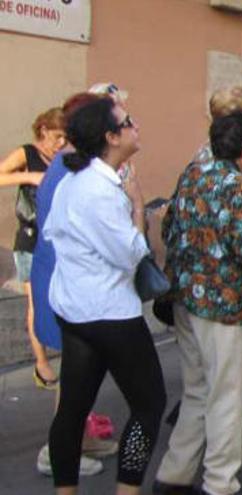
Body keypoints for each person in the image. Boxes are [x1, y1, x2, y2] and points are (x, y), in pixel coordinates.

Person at [154, 111, 242, 495]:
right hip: (222, 303)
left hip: (184, 298)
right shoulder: (235, 184)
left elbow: (167, 226)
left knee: (196, 388)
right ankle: (220, 483)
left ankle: (173, 476)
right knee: (227, 393)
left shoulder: (193, 174)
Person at [45, 97, 167, 495]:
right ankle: (127, 489)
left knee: (73, 408)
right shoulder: (100, 191)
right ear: (111, 137)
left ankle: (66, 490)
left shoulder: (72, 181)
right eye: (127, 122)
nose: (136, 127)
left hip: (75, 308)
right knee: (149, 405)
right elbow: (130, 255)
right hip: (110, 312)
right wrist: (137, 207)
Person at [31, 90, 127, 480]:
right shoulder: (77, 171)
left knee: (80, 373)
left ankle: (77, 440)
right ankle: (55, 453)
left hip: (64, 279)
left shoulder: (69, 164)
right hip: (71, 284)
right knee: (74, 376)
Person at [0, 107, 66, 390]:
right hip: (30, 237)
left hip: (58, 239)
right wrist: (28, 177)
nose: (61, 143)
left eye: (66, 137)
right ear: (43, 132)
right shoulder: (26, 153)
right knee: (35, 301)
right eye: (57, 136)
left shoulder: (63, 158)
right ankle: (41, 362)